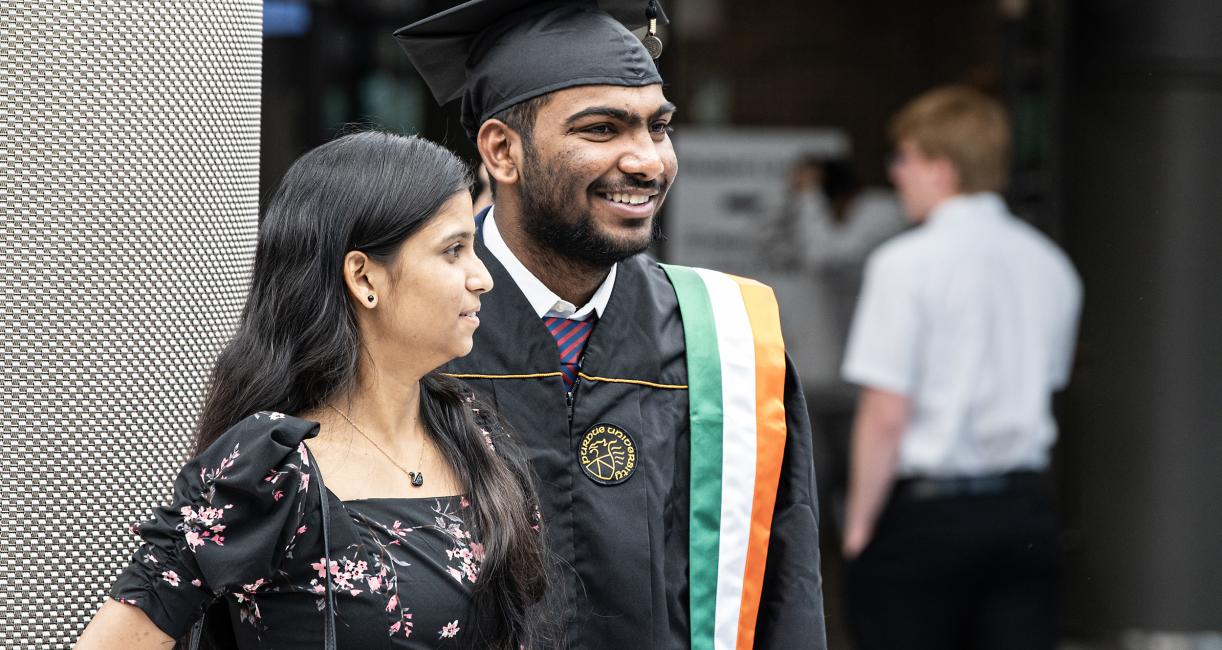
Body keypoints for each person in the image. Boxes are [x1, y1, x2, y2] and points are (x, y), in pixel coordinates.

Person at [394, 1, 828, 648]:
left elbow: (786, 593)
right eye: (602, 129)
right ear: (502, 151)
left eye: (659, 128)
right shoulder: (400, 338)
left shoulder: (727, 339)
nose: (648, 161)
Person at [75, 132, 550, 649]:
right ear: (364, 276)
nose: (481, 278)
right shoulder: (269, 469)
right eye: (453, 250)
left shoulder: (475, 438)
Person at [839, 85, 1082, 649]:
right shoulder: (1051, 265)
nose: (896, 175)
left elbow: (886, 414)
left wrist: (858, 528)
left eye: (904, 158)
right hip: (1024, 513)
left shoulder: (905, 264)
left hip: (928, 518)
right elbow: (1048, 383)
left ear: (940, 168)